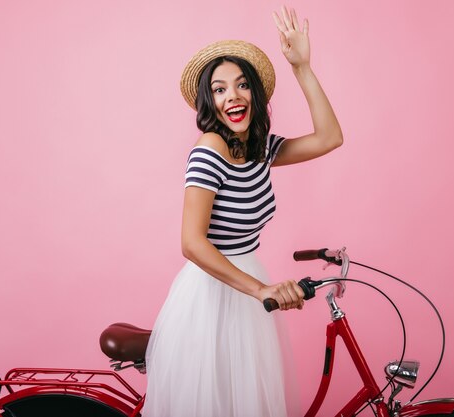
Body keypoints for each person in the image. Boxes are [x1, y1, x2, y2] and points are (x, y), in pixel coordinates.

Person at [144, 6, 343, 417]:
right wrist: (261, 290)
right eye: (219, 89)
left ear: (255, 92)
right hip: (212, 295)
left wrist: (302, 67)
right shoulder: (209, 151)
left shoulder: (259, 149)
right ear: (209, 101)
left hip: (249, 289)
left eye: (240, 86)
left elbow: (329, 138)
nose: (232, 96)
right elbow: (191, 243)